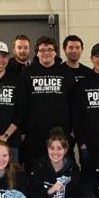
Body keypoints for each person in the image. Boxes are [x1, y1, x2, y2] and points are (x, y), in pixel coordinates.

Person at [20, 36, 75, 165]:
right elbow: (22, 104)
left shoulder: (66, 73)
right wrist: (22, 132)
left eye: (50, 49)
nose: (46, 53)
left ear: (55, 52)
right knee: (33, 170)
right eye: (42, 50)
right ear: (37, 53)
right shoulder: (27, 74)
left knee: (63, 169)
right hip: (33, 135)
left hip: (62, 133)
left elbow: (74, 104)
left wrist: (73, 132)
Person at [28, 127, 82, 198]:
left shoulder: (73, 169)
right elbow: (31, 195)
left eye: (59, 148)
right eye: (51, 148)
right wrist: (50, 191)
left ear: (65, 150)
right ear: (47, 149)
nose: (55, 152)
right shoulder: (39, 165)